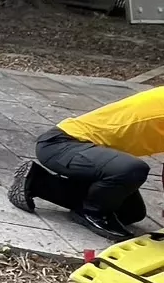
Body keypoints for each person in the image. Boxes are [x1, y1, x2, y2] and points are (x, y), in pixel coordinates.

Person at [8, 86, 164, 240]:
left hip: (89, 153)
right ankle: (92, 213)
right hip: (63, 144)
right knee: (133, 169)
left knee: (129, 212)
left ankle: (38, 182)